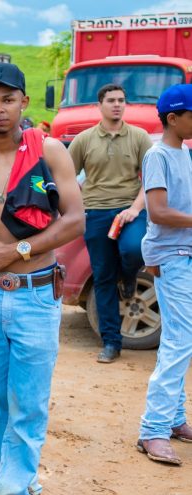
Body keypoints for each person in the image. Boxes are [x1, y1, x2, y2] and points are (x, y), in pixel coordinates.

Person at [0, 62, 84, 494]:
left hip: (36, 296)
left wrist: (19, 249)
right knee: (0, 404)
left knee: (27, 406)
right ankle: (19, 482)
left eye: (8, 100)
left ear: (24, 103)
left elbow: (76, 220)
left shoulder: (49, 151)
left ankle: (8, 488)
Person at [68, 83, 153, 363]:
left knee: (133, 250)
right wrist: (80, 205)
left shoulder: (140, 137)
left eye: (121, 100)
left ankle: (128, 276)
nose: (117, 105)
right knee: (103, 277)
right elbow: (68, 176)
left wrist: (135, 208)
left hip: (130, 210)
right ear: (100, 105)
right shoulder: (84, 139)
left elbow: (150, 180)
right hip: (96, 212)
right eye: (111, 100)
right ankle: (111, 343)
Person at [136, 84, 192, 465]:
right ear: (173, 118)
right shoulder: (158, 155)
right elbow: (158, 211)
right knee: (179, 340)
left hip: (182, 253)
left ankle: (173, 419)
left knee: (179, 336)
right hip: (172, 256)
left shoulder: (185, 153)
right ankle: (152, 430)